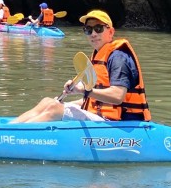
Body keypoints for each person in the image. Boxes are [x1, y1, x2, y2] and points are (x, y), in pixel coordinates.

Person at [11, 9, 150, 123]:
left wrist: (84, 90)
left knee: (54, 109)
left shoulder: (118, 57)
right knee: (48, 102)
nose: (93, 34)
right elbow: (94, 100)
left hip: (121, 123)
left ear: (111, 32)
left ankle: (16, 138)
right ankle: (10, 129)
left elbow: (118, 96)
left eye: (98, 28)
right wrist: (76, 94)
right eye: (88, 30)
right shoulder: (98, 55)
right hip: (101, 115)